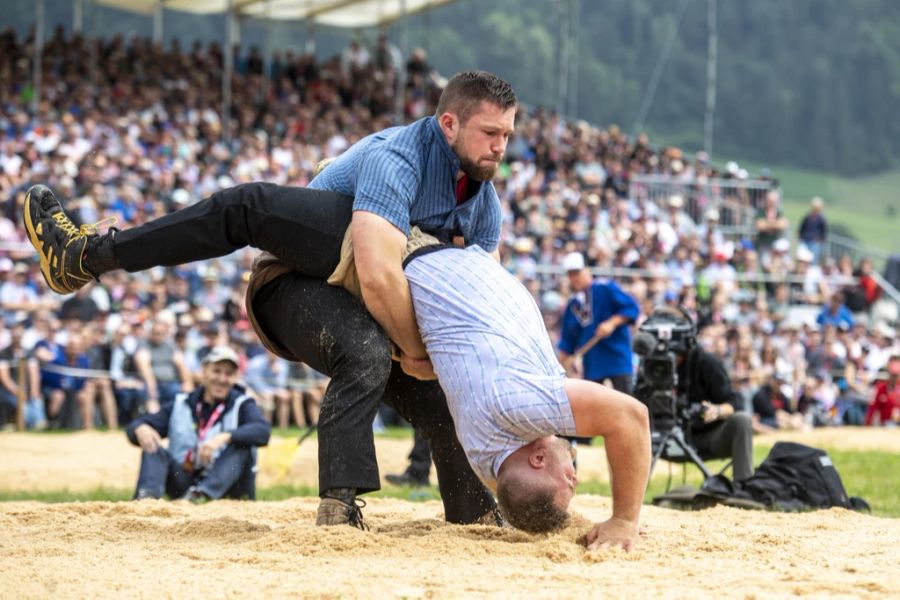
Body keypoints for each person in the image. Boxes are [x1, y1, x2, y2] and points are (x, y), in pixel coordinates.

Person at [24, 70, 517, 530]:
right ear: (448, 124)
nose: (500, 148)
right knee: (249, 206)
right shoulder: (399, 156)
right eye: (490, 133)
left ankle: (475, 520)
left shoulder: (484, 205)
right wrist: (415, 351)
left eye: (507, 136)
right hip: (296, 280)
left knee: (439, 395)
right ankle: (85, 256)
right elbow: (377, 274)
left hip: (370, 306)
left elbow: (479, 302)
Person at [25, 188, 650, 551]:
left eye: (572, 472)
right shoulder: (406, 181)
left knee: (400, 373)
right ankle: (356, 505)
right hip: (325, 280)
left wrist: (605, 518)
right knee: (385, 360)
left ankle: (88, 255)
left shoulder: (508, 423)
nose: (576, 462)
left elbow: (618, 423)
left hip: (355, 278)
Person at [126, 345, 272, 502]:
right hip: (184, 481)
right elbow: (135, 426)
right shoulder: (181, 403)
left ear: (235, 377)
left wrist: (225, 437)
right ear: (204, 371)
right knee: (151, 443)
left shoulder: (243, 403)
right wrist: (139, 428)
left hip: (228, 487)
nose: (222, 379)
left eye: (229, 374)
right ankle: (146, 499)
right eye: (216, 371)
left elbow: (263, 431)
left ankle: (204, 495)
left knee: (242, 445)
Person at [640, 307, 755, 482]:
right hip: (655, 437)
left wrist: (716, 410)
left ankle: (744, 489)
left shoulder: (706, 362)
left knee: (742, 420)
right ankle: (626, 502)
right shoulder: (649, 366)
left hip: (703, 437)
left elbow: (735, 401)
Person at [557, 251, 639, 394]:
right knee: (593, 406)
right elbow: (567, 341)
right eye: (570, 274)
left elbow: (631, 307)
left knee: (627, 400)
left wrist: (612, 323)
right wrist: (560, 366)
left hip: (616, 356)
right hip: (592, 362)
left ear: (587, 270)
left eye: (577, 272)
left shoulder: (605, 287)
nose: (574, 278)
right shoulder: (573, 304)